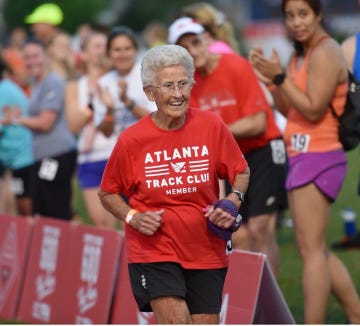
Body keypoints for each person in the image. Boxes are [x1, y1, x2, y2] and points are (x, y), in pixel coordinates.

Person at [99, 44, 250, 324]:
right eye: (168, 86)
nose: (178, 94)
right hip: (154, 249)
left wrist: (232, 200)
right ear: (150, 92)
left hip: (205, 249)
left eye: (183, 84)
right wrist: (133, 217)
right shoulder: (132, 140)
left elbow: (241, 171)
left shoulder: (211, 125)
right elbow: (107, 192)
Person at [248, 0, 360, 323]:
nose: (296, 22)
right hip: (302, 154)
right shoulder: (300, 53)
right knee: (316, 249)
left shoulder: (325, 51)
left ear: (319, 14)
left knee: (310, 252)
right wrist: (271, 81)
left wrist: (280, 77)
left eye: (303, 14)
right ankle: (355, 315)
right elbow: (291, 111)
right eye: (290, 15)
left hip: (320, 154)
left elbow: (312, 109)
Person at [168, 17, 288, 277]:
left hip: (263, 149)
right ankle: (249, 301)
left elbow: (258, 122)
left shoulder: (235, 65)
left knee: (260, 228)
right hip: (228, 161)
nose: (193, 51)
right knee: (239, 234)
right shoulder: (187, 86)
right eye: (184, 47)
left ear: (209, 41)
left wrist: (216, 131)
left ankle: (270, 307)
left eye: (196, 42)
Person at [11, 37, 77, 221]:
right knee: (41, 207)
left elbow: (46, 122)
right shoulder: (37, 83)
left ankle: (66, 247)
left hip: (57, 154)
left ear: (45, 56)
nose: (32, 62)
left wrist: (18, 119)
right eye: (27, 57)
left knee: (56, 208)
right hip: (42, 155)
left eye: (35, 56)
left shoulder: (52, 82)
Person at [65, 31, 116, 229]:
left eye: (105, 45)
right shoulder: (75, 87)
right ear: (84, 55)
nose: (102, 51)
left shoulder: (119, 79)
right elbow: (73, 125)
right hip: (90, 158)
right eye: (96, 46)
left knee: (124, 224)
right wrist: (93, 103)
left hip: (116, 154)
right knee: (100, 223)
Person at [92, 26, 156, 139]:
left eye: (127, 48)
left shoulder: (149, 75)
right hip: (122, 148)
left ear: (136, 50)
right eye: (117, 50)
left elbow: (158, 119)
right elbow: (106, 133)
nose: (122, 54)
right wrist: (109, 110)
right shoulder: (103, 83)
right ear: (108, 53)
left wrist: (127, 102)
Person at [0, 53, 33, 216]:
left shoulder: (3, 90)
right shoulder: (6, 86)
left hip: (21, 157)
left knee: (21, 202)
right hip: (13, 159)